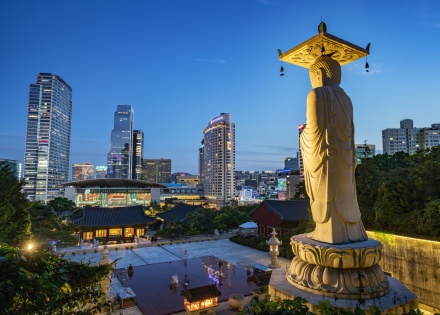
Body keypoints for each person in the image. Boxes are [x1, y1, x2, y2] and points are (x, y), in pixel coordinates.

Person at [301, 54, 368, 244]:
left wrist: (303, 137)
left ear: (319, 74)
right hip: (345, 159)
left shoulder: (316, 94)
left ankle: (326, 231)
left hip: (326, 159)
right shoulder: (347, 99)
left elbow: (313, 131)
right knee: (345, 191)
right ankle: (352, 230)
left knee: (327, 193)